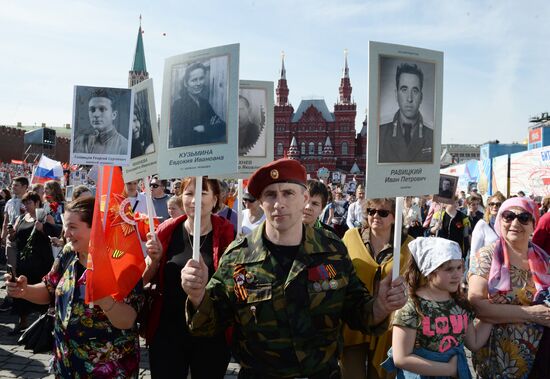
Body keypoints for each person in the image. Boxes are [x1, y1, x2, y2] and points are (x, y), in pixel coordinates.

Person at [180, 158, 408, 378]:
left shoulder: (331, 250)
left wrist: (380, 306)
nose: (279, 203)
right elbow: (208, 327)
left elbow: (357, 311)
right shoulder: (239, 257)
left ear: (305, 198)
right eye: (270, 195)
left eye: (288, 193)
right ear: (260, 201)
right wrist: (198, 296)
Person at [6, 197, 144, 377]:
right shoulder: (69, 253)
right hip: (67, 363)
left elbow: (128, 320)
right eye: (65, 226)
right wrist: (24, 291)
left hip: (108, 367)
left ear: (95, 228)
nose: (66, 233)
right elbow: (50, 288)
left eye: (72, 227)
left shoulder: (122, 262)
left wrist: (103, 298)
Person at [143, 177, 233, 378]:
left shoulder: (228, 234)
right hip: (168, 331)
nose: (194, 200)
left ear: (215, 198)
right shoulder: (166, 231)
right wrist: (154, 260)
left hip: (211, 332)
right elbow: (144, 279)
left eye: (202, 193)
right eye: (189, 193)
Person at [383, 237, 492, 377]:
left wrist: (492, 310)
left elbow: (474, 343)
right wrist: (448, 369)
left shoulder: (460, 304)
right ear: (429, 271)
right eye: (449, 269)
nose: (457, 274)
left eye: (459, 267)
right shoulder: (412, 306)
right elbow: (401, 358)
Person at [468, 197, 550, 378]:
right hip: (496, 359)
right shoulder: (486, 257)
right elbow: (477, 305)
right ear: (499, 220)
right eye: (508, 216)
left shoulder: (544, 260)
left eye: (524, 218)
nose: (515, 223)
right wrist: (532, 314)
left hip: (540, 361)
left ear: (533, 224)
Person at [340, 197, 413, 379]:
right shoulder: (350, 237)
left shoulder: (409, 245)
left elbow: (416, 283)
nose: (375, 216)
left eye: (383, 212)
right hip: (355, 321)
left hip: (389, 325)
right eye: (371, 211)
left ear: (395, 217)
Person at [7, 191, 55, 333]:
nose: (26, 206)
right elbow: (15, 238)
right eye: (25, 203)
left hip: (41, 261)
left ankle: (43, 323)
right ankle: (22, 322)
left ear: (37, 203)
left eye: (29, 203)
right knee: (21, 289)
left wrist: (43, 229)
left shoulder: (46, 217)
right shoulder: (21, 218)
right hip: (24, 261)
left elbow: (56, 236)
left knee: (42, 290)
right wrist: (11, 234)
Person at [379, 62, 433, 163]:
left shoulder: (432, 136)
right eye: (404, 90)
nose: (409, 98)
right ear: (396, 94)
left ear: (421, 97)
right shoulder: (380, 134)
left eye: (415, 91)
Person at [170, 62, 226, 148]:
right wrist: (210, 127)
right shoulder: (178, 105)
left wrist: (203, 128)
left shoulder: (205, 103)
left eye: (201, 78)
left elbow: (222, 127)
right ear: (186, 83)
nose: (199, 83)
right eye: (194, 80)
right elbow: (180, 135)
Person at [74, 88, 129, 155]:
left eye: (102, 109)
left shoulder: (125, 147)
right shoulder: (80, 142)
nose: (96, 114)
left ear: (113, 115)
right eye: (92, 109)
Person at [470, 191, 506, 256]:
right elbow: (474, 253)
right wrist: (473, 266)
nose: (494, 206)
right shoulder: (482, 224)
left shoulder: (508, 225)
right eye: (491, 204)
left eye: (498, 204)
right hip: (487, 264)